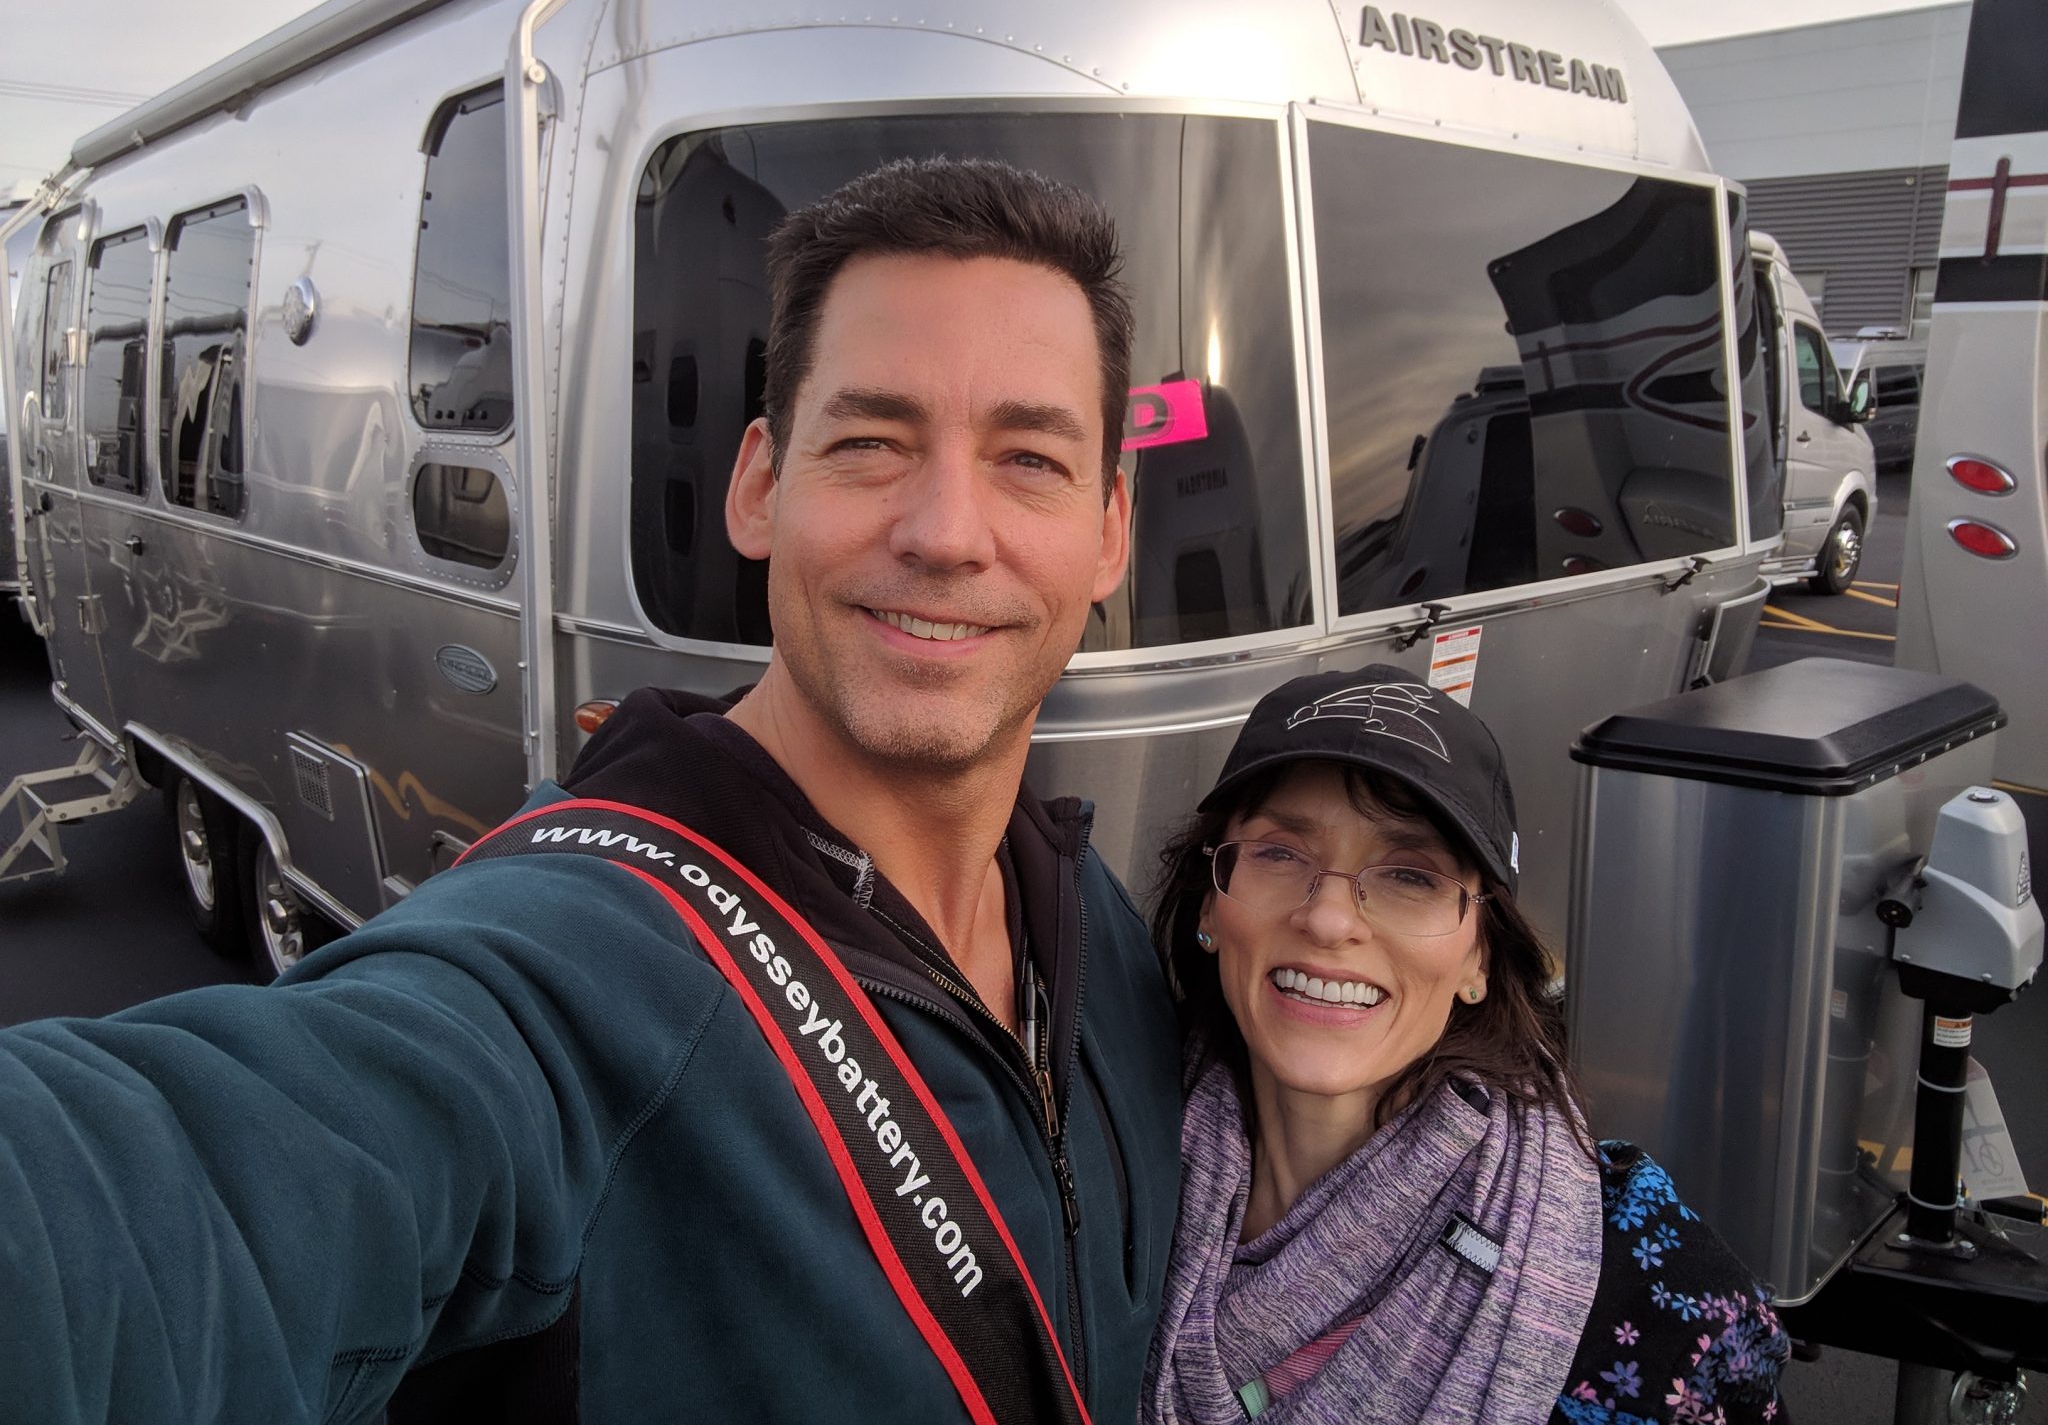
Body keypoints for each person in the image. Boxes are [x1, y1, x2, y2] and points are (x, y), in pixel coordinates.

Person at [0, 158, 1182, 1423]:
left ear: (1108, 529)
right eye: (870, 444)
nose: (946, 531)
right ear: (758, 487)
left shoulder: (1093, 922)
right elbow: (175, 1202)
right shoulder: (574, 973)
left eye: (1028, 460)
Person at [1142, 665, 1790, 1425]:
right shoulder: (1103, 1159)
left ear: (1479, 956)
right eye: (1281, 854)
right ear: (1210, 907)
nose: (1329, 920)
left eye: (1410, 876)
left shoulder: (1662, 1307)